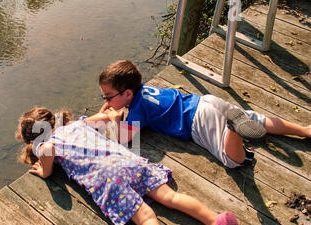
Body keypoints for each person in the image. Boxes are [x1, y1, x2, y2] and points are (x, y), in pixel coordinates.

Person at [15, 106, 246, 225]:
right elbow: (105, 117)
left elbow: (47, 152)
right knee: (171, 197)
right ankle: (217, 221)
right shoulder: (76, 125)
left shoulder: (47, 143)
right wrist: (111, 114)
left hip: (107, 178)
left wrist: (44, 171)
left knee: (146, 218)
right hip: (127, 161)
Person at [96, 60, 311, 168]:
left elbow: (121, 140)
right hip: (204, 101)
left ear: (128, 93)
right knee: (258, 119)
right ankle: (304, 130)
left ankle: (234, 131)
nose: (106, 101)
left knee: (232, 160)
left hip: (197, 122)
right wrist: (115, 106)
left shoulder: (137, 110)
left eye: (108, 97)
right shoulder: (145, 91)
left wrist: (115, 118)